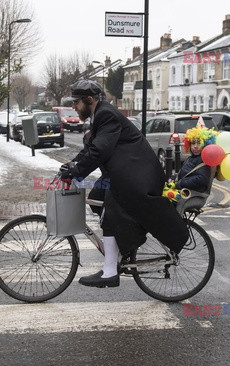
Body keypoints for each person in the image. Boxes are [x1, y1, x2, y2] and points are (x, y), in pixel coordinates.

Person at [60, 79, 189, 288]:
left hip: (137, 177)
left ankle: (110, 271)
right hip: (125, 173)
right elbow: (90, 149)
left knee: (111, 213)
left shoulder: (106, 115)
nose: (73, 107)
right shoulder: (99, 115)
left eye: (76, 102)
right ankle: (122, 249)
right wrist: (72, 166)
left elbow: (99, 151)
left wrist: (77, 171)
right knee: (95, 199)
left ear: (89, 100)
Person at [170, 126, 218, 215]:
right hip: (186, 191)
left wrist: (180, 183)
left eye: (199, 143)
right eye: (193, 143)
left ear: (206, 145)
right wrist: (173, 178)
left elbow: (202, 179)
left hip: (195, 195)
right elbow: (183, 174)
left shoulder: (203, 160)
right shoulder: (190, 158)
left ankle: (176, 227)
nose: (195, 146)